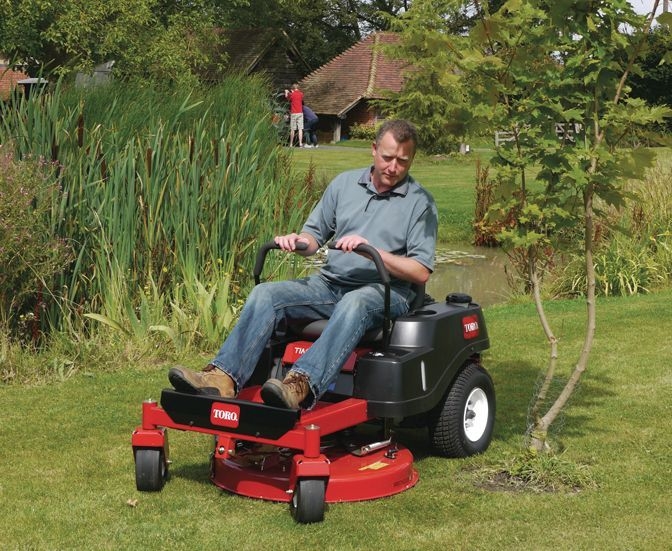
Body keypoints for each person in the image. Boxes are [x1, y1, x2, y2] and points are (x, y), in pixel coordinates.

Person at [169, 119, 438, 410]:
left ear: (411, 159)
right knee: (266, 293)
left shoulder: (420, 202)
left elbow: (420, 271)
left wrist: (373, 252)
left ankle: (300, 385)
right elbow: (313, 238)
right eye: (387, 157)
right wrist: (296, 241)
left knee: (355, 302)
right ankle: (223, 378)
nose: (393, 167)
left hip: (386, 292)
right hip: (330, 285)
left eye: (402, 161)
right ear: (373, 150)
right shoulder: (344, 185)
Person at [284, 83, 304, 147]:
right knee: (300, 129)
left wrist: (286, 92)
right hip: (300, 112)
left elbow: (287, 98)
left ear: (292, 88)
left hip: (294, 113)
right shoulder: (301, 94)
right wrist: (291, 92)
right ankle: (300, 143)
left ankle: (291, 143)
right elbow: (299, 98)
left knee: (292, 129)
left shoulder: (291, 94)